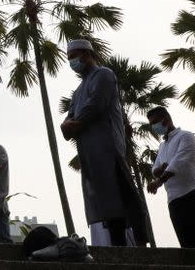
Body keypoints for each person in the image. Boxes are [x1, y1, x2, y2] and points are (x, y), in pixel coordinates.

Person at [60, 39, 148, 247]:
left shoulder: (104, 75)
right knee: (108, 204)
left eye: (74, 56)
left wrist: (74, 124)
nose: (72, 62)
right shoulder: (78, 91)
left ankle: (142, 243)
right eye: (69, 58)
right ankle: (118, 246)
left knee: (126, 196)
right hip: (91, 154)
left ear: (87, 54)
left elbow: (96, 105)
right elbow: (68, 121)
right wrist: (67, 126)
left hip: (109, 148)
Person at [146, 106, 195, 249]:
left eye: (155, 122)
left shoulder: (185, 136)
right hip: (174, 200)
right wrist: (160, 170)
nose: (154, 127)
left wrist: (159, 181)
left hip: (193, 195)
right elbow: (155, 169)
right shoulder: (162, 146)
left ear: (166, 119)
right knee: (188, 247)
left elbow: (178, 163)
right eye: (151, 124)